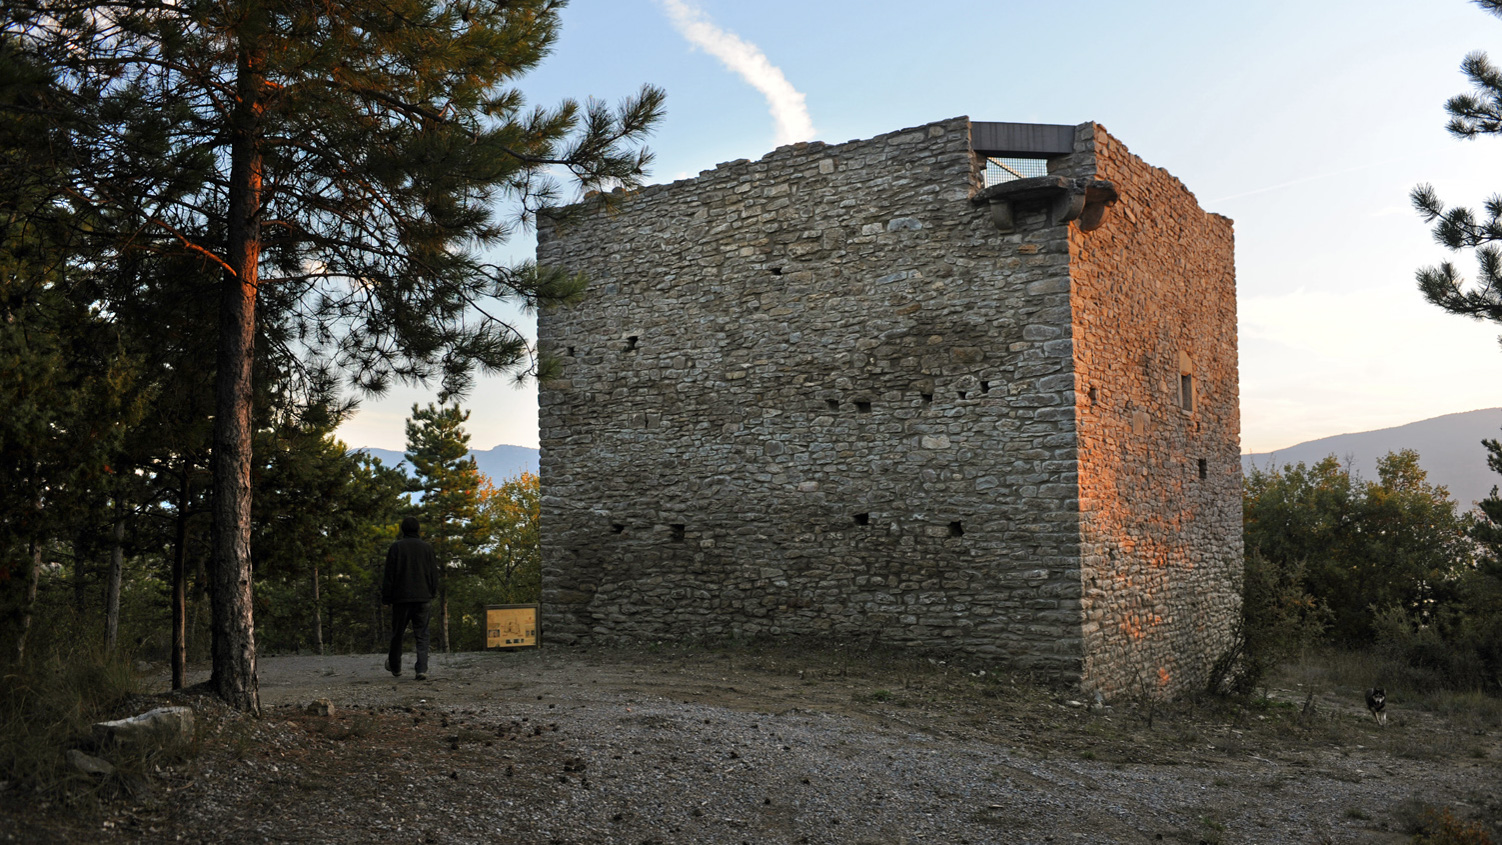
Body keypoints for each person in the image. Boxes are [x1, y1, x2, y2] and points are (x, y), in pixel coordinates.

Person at [383, 516, 438, 680]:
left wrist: (386, 598)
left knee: (397, 633)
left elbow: (389, 575)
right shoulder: (427, 548)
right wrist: (432, 592)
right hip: (423, 597)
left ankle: (395, 666)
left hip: (401, 598)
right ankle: (421, 669)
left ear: (403, 530)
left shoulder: (396, 548)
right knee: (422, 634)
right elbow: (433, 573)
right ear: (418, 530)